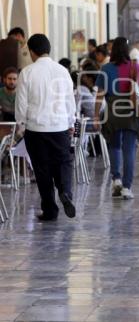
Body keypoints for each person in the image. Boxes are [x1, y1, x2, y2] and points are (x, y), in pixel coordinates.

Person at [15, 34, 76, 221]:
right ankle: (65, 191)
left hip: (36, 128)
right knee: (64, 162)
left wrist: (21, 125)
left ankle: (50, 210)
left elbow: (21, 103)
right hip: (59, 127)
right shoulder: (62, 71)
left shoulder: (27, 72)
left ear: (32, 52)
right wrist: (70, 122)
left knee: (42, 169)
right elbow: (69, 100)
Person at [94, 37, 139, 200]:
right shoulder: (135, 66)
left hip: (113, 113)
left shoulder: (106, 69)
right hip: (131, 113)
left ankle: (116, 178)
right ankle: (126, 187)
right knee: (129, 149)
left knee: (115, 146)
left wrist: (96, 116)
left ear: (113, 51)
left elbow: (100, 95)